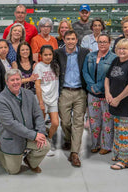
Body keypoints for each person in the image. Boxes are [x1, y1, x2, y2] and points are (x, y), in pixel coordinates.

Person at [0, 69, 50, 174]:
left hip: (29, 135)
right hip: (13, 138)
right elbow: (11, 124)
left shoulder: (29, 94)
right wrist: (34, 135)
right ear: (7, 82)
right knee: (13, 170)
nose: (16, 82)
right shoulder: (1, 100)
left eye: (18, 79)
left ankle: (31, 162)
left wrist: (40, 132)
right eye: (12, 80)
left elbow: (38, 114)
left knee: (45, 145)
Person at [54, 30, 90, 167]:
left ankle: (74, 153)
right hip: (65, 92)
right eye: (67, 39)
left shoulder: (84, 52)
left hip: (80, 91)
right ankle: (68, 138)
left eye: (72, 39)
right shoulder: (58, 53)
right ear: (64, 40)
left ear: (76, 40)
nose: (70, 41)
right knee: (65, 121)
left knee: (78, 122)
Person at [105, 39, 128, 170]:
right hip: (114, 103)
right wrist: (108, 94)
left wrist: (118, 98)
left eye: (124, 49)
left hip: (127, 105)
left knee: (126, 132)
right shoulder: (116, 61)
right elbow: (107, 78)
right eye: (119, 48)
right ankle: (118, 154)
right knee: (118, 131)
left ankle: (125, 160)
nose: (121, 51)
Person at [82, 34, 116, 155]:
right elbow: (85, 71)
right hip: (92, 93)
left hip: (106, 94)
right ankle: (95, 144)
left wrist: (99, 87)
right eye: (100, 41)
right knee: (94, 121)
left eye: (105, 42)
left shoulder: (114, 58)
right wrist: (92, 86)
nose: (102, 44)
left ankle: (106, 145)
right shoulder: (90, 56)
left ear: (109, 42)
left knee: (107, 121)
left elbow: (110, 76)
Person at [33, 45, 59, 156]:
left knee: (55, 123)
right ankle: (42, 143)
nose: (48, 57)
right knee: (41, 124)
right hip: (42, 98)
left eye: (50, 54)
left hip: (53, 99)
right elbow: (37, 86)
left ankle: (49, 138)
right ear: (41, 55)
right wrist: (40, 102)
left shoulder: (56, 66)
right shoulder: (38, 66)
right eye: (45, 55)